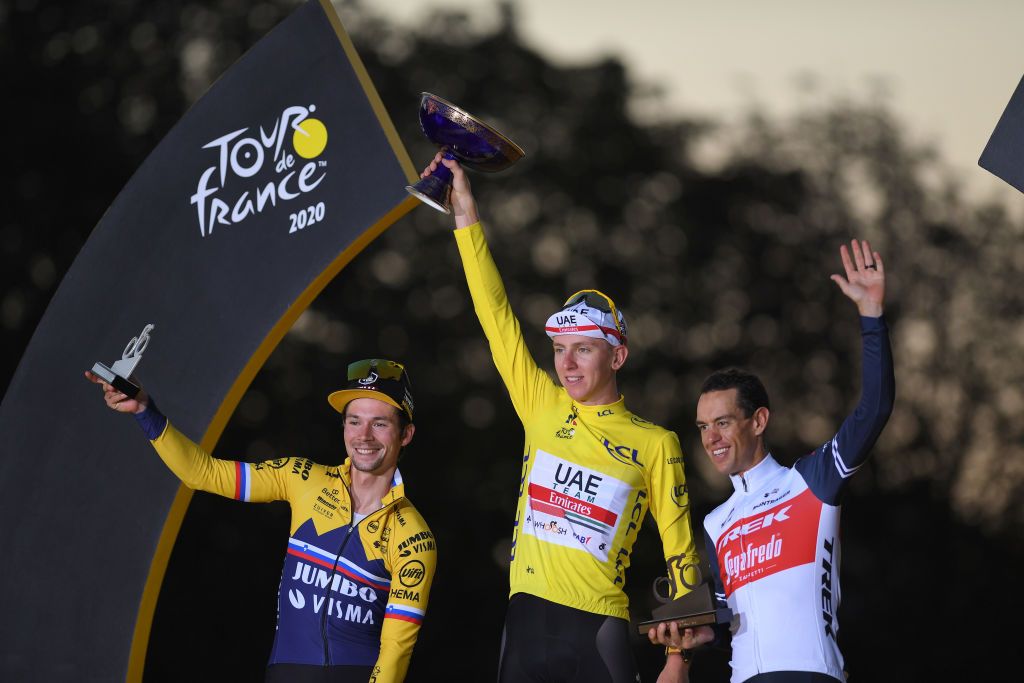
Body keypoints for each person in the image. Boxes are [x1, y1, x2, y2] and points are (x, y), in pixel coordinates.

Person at [420, 153, 702, 683]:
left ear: (617, 357)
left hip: (599, 630)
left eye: (583, 350)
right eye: (559, 349)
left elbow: (679, 548)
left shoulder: (655, 442)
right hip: (526, 625)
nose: (566, 363)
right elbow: (495, 315)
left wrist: (678, 658)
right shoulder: (542, 405)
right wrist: (465, 213)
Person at [85, 358, 436, 683]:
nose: (364, 436)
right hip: (285, 671)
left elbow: (396, 647)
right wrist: (145, 411)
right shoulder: (303, 478)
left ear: (405, 434)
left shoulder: (413, 536)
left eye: (380, 423)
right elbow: (203, 473)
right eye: (354, 420)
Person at [649, 239, 895, 683]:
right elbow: (730, 619)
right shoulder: (716, 523)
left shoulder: (811, 481)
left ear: (759, 420)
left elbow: (874, 409)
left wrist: (871, 316)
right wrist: (695, 635)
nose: (712, 438)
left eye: (723, 422)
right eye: (703, 427)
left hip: (810, 674)